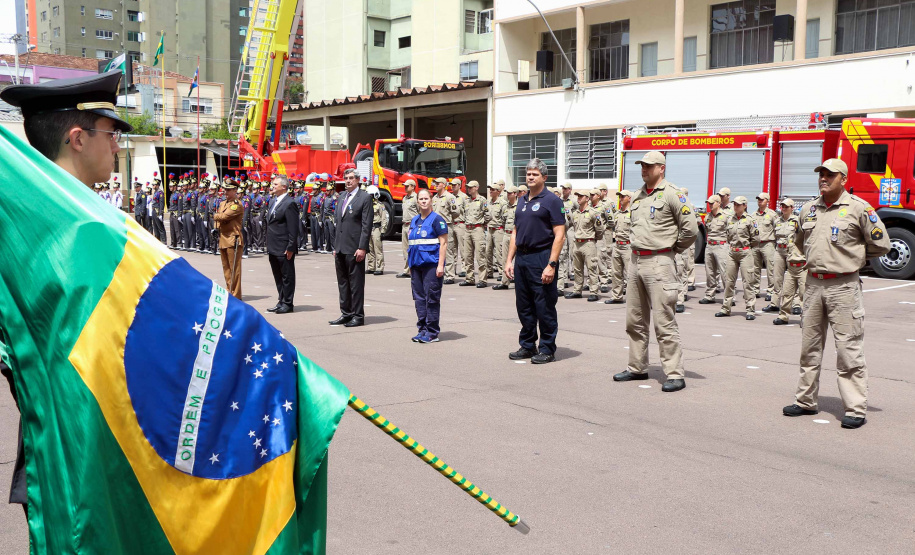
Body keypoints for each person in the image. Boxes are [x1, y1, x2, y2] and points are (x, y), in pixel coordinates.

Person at [0, 69, 133, 520]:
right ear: (77, 138)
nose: (117, 144)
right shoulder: (75, 230)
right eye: (111, 132)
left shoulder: (87, 218)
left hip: (93, 440)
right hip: (72, 443)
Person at [782, 159, 890, 429]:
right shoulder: (808, 209)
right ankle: (806, 401)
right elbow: (798, 241)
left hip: (843, 286)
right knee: (810, 348)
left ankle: (854, 408)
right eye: (821, 175)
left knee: (848, 350)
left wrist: (853, 259)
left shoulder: (859, 208)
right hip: (813, 284)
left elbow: (881, 244)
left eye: (830, 175)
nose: (824, 179)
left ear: (843, 178)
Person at [612, 151, 698, 392]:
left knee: (663, 321)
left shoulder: (672, 193)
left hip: (659, 262)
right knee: (635, 320)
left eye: (649, 166)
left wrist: (670, 250)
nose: (644, 169)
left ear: (661, 168)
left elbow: (690, 229)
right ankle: (637, 367)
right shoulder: (638, 195)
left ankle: (674, 373)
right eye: (642, 166)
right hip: (636, 260)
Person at [504, 159, 566, 364]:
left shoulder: (552, 201)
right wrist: (509, 260)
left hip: (542, 256)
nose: (530, 177)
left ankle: (547, 348)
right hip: (522, 257)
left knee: (544, 305)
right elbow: (515, 231)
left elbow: (559, 235)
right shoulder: (522, 200)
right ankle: (528, 345)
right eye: (528, 173)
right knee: (524, 305)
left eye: (535, 174)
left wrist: (551, 264)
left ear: (544, 177)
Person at [329, 169, 373, 327]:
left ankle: (358, 315)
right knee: (343, 283)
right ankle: (346, 313)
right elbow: (337, 223)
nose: (348, 181)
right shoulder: (342, 197)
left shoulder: (364, 198)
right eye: (346, 178)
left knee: (355, 283)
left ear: (358, 180)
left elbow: (366, 225)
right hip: (341, 247)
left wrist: (362, 247)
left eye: (351, 178)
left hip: (355, 248)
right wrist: (335, 246)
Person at [407, 188, 449, 343]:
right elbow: (412, 244)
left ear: (431, 200)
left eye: (426, 199)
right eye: (421, 199)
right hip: (416, 266)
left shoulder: (437, 220)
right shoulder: (414, 221)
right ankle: (422, 329)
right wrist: (410, 265)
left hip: (431, 265)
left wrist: (440, 266)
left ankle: (432, 331)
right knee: (419, 299)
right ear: (417, 201)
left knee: (431, 298)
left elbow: (443, 244)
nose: (424, 201)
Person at [715, 196, 760, 320]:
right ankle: (726, 308)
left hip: (745, 252)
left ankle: (750, 310)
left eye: (739, 204)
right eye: (735, 204)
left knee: (748, 282)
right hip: (732, 252)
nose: (736, 206)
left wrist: (746, 247)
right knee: (729, 282)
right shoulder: (730, 219)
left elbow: (756, 239)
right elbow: (728, 236)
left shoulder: (750, 220)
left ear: (745, 205)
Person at [767, 198, 806, 324]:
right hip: (779, 250)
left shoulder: (796, 222)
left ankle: (797, 306)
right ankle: (775, 303)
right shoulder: (777, 221)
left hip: (792, 253)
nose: (784, 208)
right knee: (777, 278)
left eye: (786, 207)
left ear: (792, 208)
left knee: (799, 285)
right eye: (782, 206)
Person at [264, 175, 299, 314]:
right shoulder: (274, 201)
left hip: (284, 247)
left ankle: (288, 303)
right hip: (273, 245)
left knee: (287, 276)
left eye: (275, 184)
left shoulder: (290, 203)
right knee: (278, 275)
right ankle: (281, 300)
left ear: (284, 187)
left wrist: (290, 246)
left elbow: (293, 228)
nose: (273, 186)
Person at [565, 189, 604, 302]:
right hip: (577, 243)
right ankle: (577, 290)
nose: (578, 198)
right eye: (578, 196)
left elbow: (600, 229)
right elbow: (571, 224)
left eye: (581, 196)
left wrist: (594, 239)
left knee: (591, 268)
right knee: (577, 268)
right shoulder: (576, 213)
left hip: (588, 243)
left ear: (587, 198)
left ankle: (594, 291)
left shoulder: (593, 212)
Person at [214, 177, 244, 299]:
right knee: (226, 267)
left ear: (235, 190)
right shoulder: (223, 203)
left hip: (233, 239)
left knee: (234, 269)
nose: (225, 192)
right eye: (225, 190)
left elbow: (224, 217)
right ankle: (229, 289)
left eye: (228, 190)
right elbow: (218, 218)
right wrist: (216, 226)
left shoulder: (236, 205)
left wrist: (216, 216)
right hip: (223, 237)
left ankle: (236, 295)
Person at [698, 194, 729, 305]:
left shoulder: (726, 216)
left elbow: (731, 232)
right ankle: (709, 295)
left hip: (721, 246)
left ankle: (729, 297)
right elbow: (707, 229)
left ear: (718, 203)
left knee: (725, 272)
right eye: (709, 203)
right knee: (710, 272)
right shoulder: (708, 217)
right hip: (710, 246)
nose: (710, 205)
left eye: (712, 203)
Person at [459, 180, 490, 287]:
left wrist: (481, 224)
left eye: (471, 187)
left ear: (476, 188)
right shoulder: (467, 201)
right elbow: (463, 213)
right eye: (468, 187)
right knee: (467, 255)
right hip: (467, 229)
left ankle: (482, 280)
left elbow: (488, 215)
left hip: (478, 229)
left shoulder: (482, 200)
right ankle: (469, 278)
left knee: (480, 255)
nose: (469, 189)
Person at [605, 190, 632, 304]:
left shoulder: (633, 213)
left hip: (628, 246)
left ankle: (632, 299)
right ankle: (617, 296)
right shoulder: (617, 214)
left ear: (629, 198)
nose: (620, 199)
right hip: (617, 245)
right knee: (616, 273)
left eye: (623, 197)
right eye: (619, 197)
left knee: (630, 274)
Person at [750, 192, 779, 301]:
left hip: (768, 244)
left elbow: (777, 229)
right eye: (758, 199)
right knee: (755, 268)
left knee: (770, 268)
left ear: (768, 201)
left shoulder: (772, 214)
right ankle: (755, 290)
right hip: (756, 244)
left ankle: (771, 291)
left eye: (762, 199)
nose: (759, 201)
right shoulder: (753, 215)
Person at [432, 177, 460, 283]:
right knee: (437, 250)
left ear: (444, 184)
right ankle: (438, 272)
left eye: (438, 183)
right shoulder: (434, 198)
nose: (436, 185)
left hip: (446, 226)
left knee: (448, 251)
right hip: (435, 227)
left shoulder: (449, 197)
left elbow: (456, 212)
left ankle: (450, 275)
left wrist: (448, 219)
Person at [493, 184, 520, 290]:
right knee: (505, 258)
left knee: (518, 260)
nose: (508, 195)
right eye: (507, 193)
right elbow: (502, 220)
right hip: (506, 233)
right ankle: (505, 282)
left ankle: (519, 281)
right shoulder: (505, 206)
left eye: (510, 193)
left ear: (515, 194)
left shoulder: (520, 206)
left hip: (517, 235)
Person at [483, 181, 506, 283]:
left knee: (499, 253)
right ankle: (489, 271)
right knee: (488, 251)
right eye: (490, 190)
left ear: (498, 191)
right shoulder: (488, 202)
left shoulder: (502, 203)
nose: (490, 191)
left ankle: (501, 273)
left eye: (492, 190)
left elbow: (504, 217)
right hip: (489, 229)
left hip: (498, 229)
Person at [397, 179, 418, 278]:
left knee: (413, 248)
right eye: (405, 186)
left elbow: (420, 212)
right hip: (404, 225)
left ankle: (414, 269)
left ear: (413, 187)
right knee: (405, 249)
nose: (405, 187)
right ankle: (407, 270)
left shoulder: (416, 198)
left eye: (407, 186)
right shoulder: (405, 198)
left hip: (412, 225)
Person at [558, 183, 576, 286]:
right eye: (562, 188)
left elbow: (578, 212)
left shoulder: (573, 200)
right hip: (563, 228)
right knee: (563, 253)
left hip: (571, 229)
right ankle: (564, 277)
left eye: (565, 189)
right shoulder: (559, 200)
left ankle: (572, 271)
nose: (563, 190)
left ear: (570, 189)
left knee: (571, 251)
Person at [366, 186, 385, 275]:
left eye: (371, 195)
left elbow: (384, 218)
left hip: (376, 228)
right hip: (368, 228)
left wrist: (383, 231)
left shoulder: (380, 205)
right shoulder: (366, 205)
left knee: (378, 248)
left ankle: (380, 267)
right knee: (369, 249)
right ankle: (371, 267)